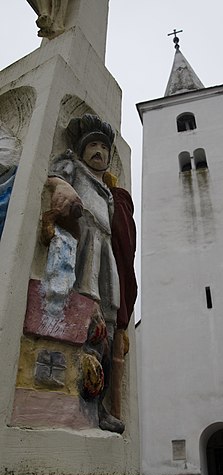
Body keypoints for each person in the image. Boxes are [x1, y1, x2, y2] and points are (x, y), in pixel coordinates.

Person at [47, 114, 137, 433]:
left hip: (106, 251)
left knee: (108, 327)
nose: (98, 151)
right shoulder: (73, 166)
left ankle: (98, 407)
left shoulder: (108, 190)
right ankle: (76, 398)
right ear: (83, 150)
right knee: (86, 316)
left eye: (103, 147)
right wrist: (60, 187)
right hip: (85, 241)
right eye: (93, 145)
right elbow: (54, 178)